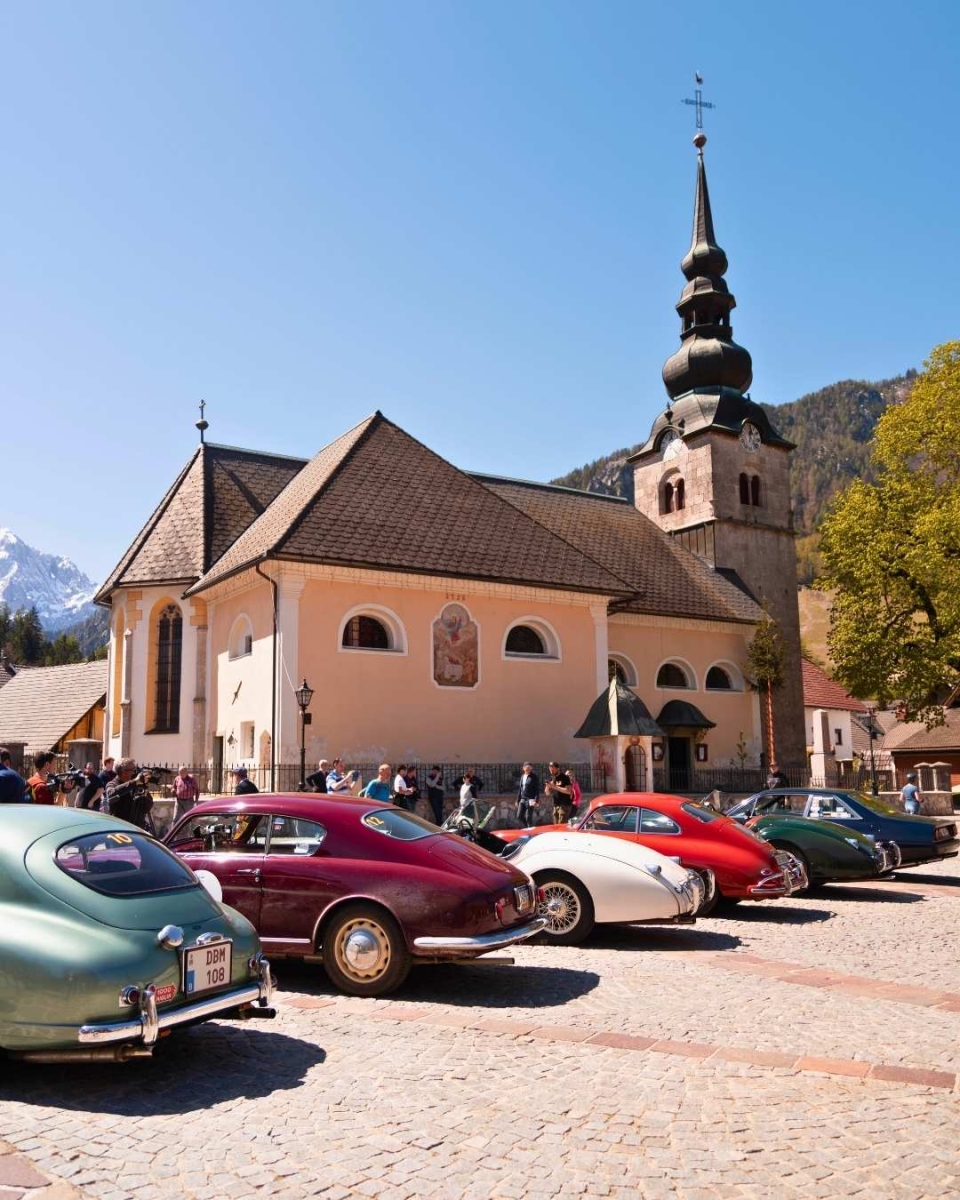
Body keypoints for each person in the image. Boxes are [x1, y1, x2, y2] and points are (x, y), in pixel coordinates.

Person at [105, 757, 155, 830]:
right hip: (120, 829)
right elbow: (111, 794)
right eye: (133, 770)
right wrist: (135, 782)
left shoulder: (137, 785)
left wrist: (145, 790)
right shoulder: (113, 784)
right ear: (123, 772)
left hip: (137, 828)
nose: (135, 773)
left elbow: (147, 807)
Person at [516, 762, 539, 828]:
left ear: (531, 768)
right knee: (519, 816)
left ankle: (530, 831)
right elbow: (520, 789)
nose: (528, 769)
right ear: (523, 768)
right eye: (527, 767)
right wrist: (518, 800)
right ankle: (529, 828)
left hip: (530, 799)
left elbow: (536, 790)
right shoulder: (522, 776)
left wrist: (536, 800)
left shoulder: (534, 777)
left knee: (528, 817)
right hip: (522, 799)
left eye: (529, 768)